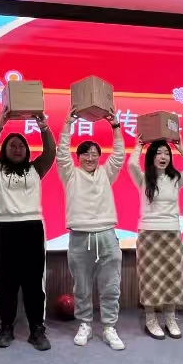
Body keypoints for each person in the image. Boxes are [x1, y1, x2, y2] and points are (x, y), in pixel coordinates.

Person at [0, 104, 56, 351]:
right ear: (4, 149)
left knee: (34, 283)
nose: (17, 148)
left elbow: (51, 152)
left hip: (32, 229)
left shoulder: (36, 169)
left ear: (27, 150)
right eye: (12, 145)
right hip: (4, 230)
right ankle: (6, 328)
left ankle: (37, 329)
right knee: (7, 283)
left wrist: (44, 127)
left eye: (21, 145)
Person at [56, 110, 126, 350]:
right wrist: (67, 124)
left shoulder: (106, 173)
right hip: (79, 236)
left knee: (111, 286)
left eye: (95, 154)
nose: (90, 157)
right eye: (85, 154)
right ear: (78, 157)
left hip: (106, 235)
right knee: (82, 287)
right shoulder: (70, 174)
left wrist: (115, 127)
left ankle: (109, 327)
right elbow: (61, 153)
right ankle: (85, 324)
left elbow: (118, 155)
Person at [128, 137, 183, 339]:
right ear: (151, 156)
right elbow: (131, 164)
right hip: (148, 234)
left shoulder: (175, 178)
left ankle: (170, 318)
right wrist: (138, 147)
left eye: (167, 153)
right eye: (159, 153)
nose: (163, 157)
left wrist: (181, 148)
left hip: (171, 233)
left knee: (172, 277)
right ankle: (151, 319)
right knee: (149, 278)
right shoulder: (143, 179)